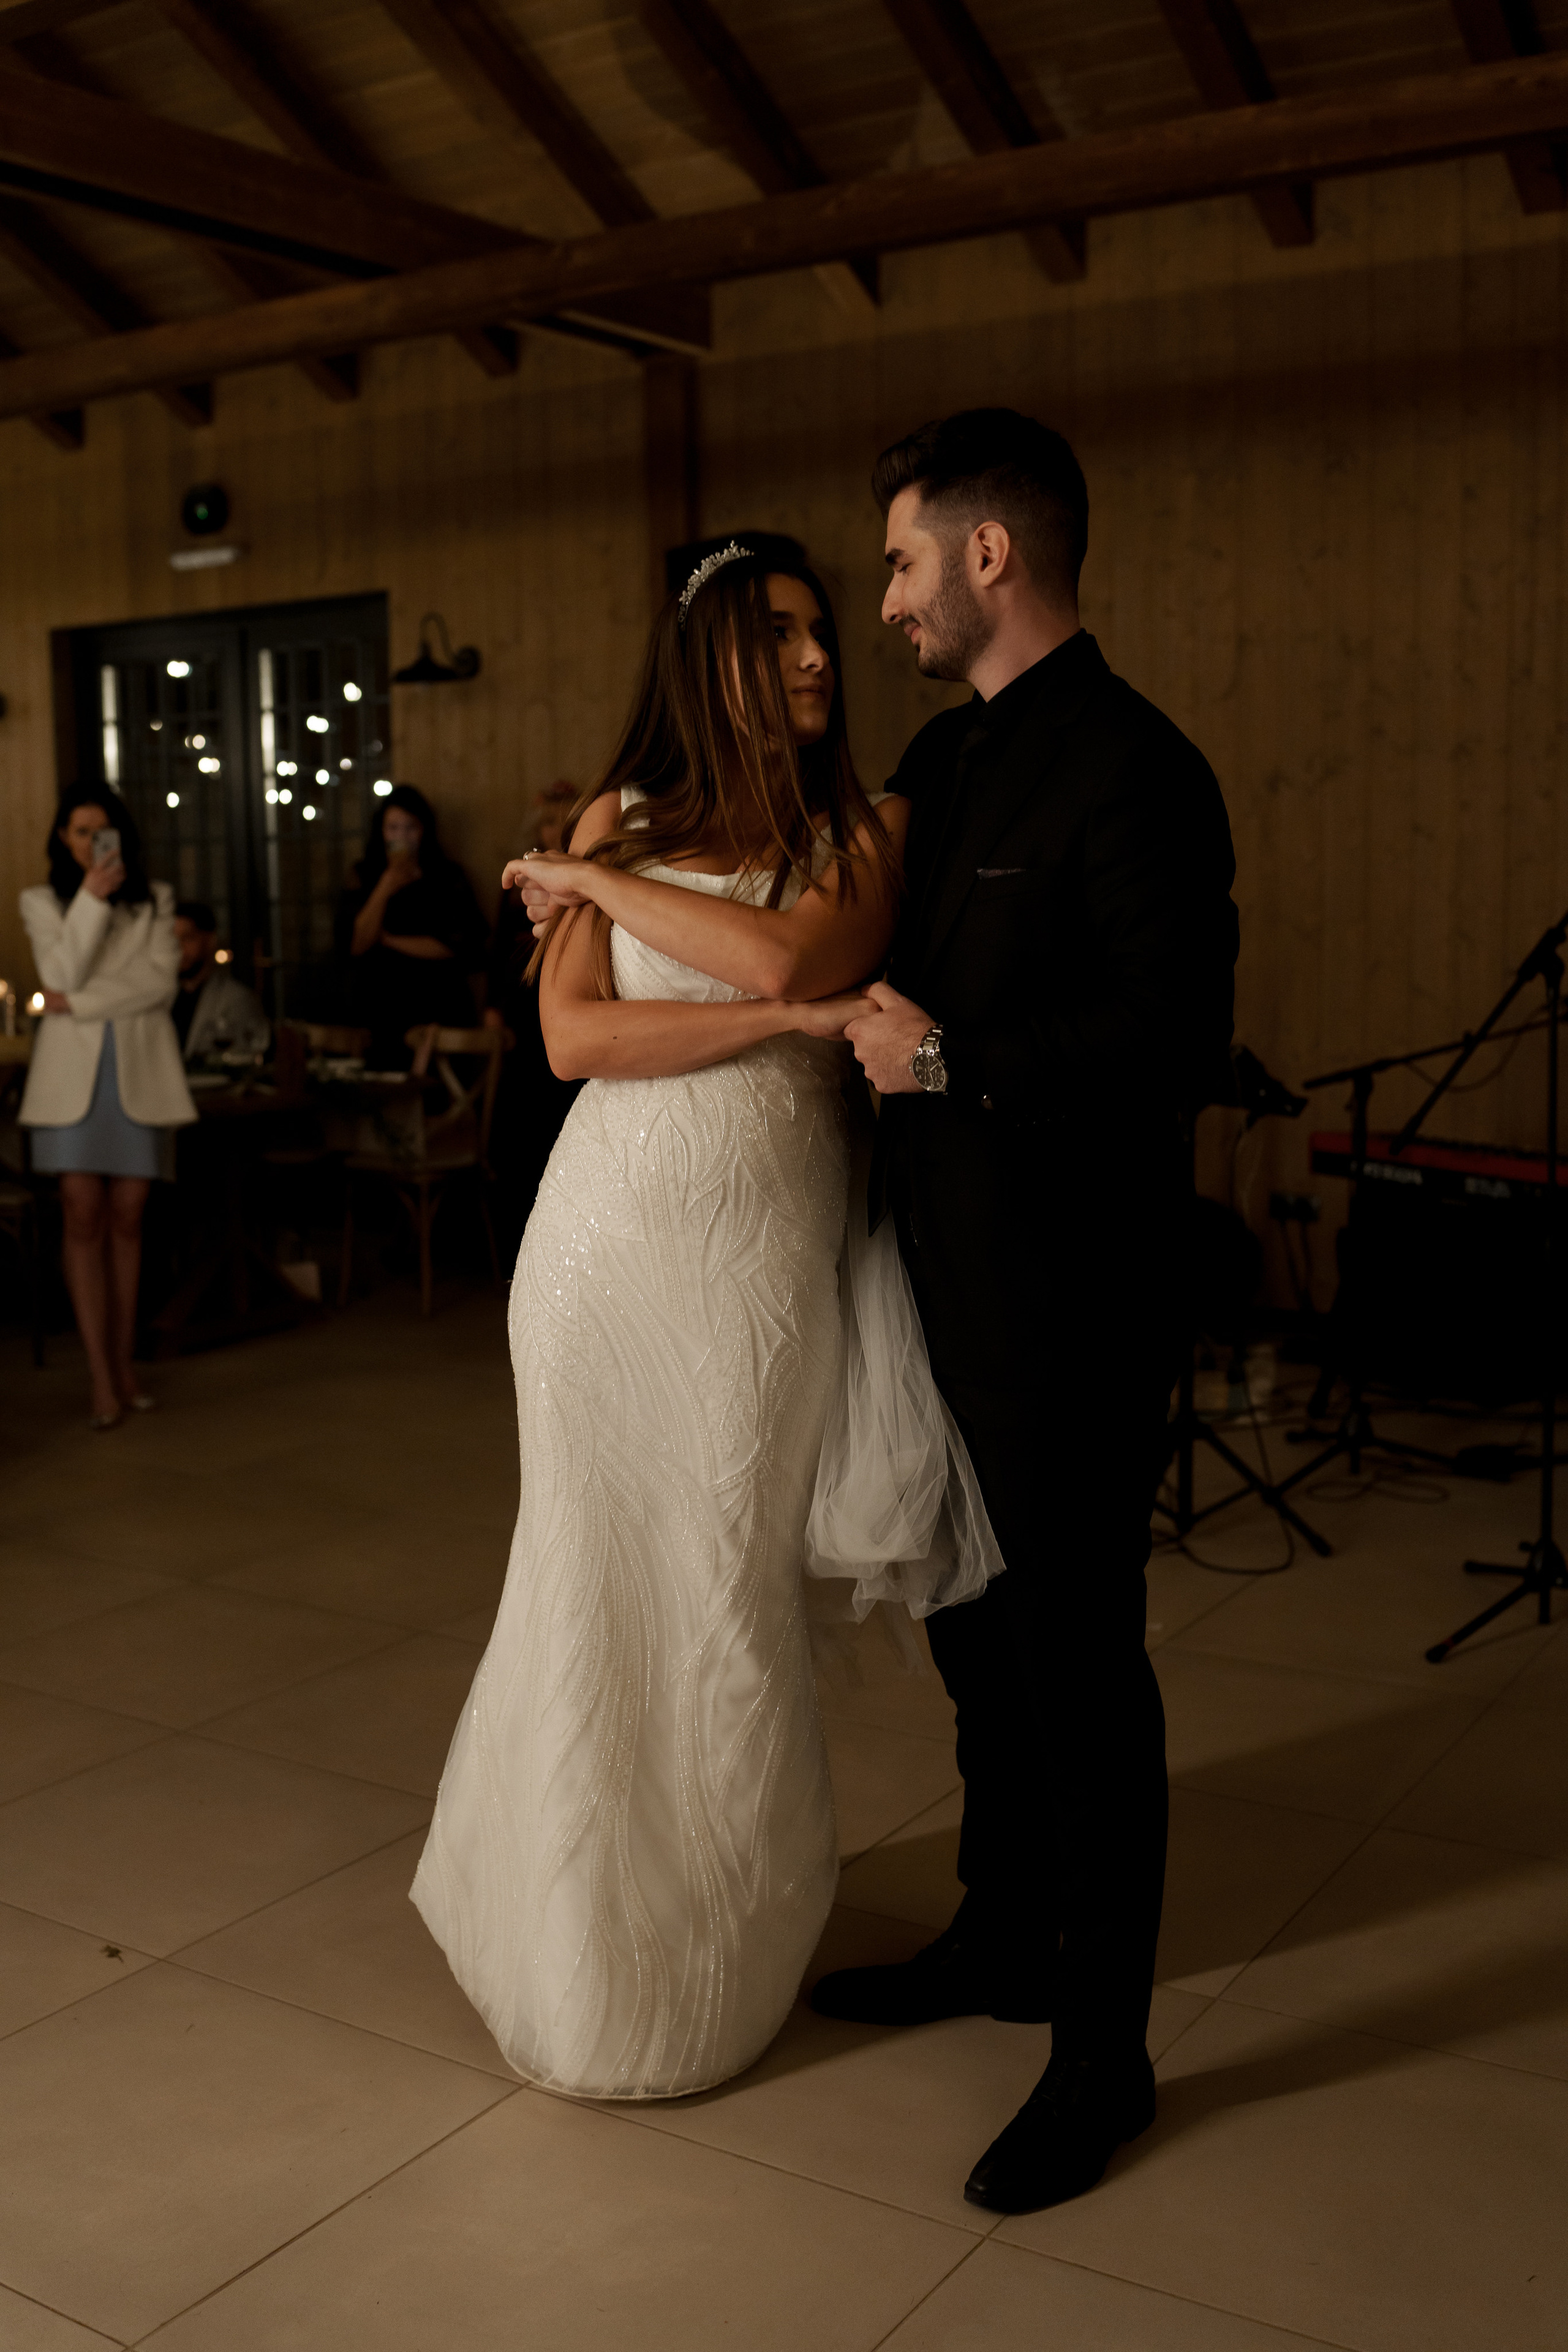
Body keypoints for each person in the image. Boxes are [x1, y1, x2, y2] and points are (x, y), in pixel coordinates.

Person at [412, 542, 1001, 2100]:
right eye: (784, 633)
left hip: (755, 1256)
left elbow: (790, 951)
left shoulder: (863, 826)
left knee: (723, 1592)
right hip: (604, 1248)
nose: (819, 658)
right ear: (709, 660)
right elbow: (569, 1036)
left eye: (824, 631)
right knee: (586, 1586)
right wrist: (773, 1021)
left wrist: (594, 882)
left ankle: (716, 1961)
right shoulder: (623, 813)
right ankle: (578, 1961)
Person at [815, 410, 1240, 2211]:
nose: (889, 594)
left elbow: (1168, 1038)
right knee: (973, 1636)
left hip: (1071, 1288)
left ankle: (1103, 2048)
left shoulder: (1140, 767)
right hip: (933, 1280)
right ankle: (999, 1931)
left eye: (905, 557)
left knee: (1078, 1657)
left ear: (994, 554)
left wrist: (954, 1062)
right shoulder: (941, 751)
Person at [20, 788, 197, 1427]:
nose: (90, 841)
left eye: (102, 830)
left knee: (129, 1215)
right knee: (83, 1213)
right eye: (78, 831)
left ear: (119, 834)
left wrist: (78, 1002)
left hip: (140, 1074)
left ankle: (126, 1365)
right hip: (69, 1081)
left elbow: (158, 985)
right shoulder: (44, 903)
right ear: (64, 840)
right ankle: (101, 1375)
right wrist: (91, 899)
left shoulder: (156, 900)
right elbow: (60, 974)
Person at [482, 782, 581, 1249]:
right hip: (521, 1008)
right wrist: (491, 1010)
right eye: (548, 820)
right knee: (519, 1122)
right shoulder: (520, 883)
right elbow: (498, 951)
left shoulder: (588, 876)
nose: (555, 828)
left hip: (568, 1000)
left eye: (565, 819)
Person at [336, 785, 487, 1066]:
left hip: (437, 1004)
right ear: (381, 831)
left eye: (410, 828)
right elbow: (355, 944)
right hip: (379, 1005)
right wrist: (385, 887)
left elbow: (457, 945)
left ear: (424, 830)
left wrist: (389, 940)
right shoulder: (364, 875)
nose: (401, 837)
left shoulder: (446, 877)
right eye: (393, 828)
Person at [170, 900, 270, 1063]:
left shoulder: (236, 999)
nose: (179, 949)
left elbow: (245, 1057)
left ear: (210, 941)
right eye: (173, 939)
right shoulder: (163, 997)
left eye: (188, 938)